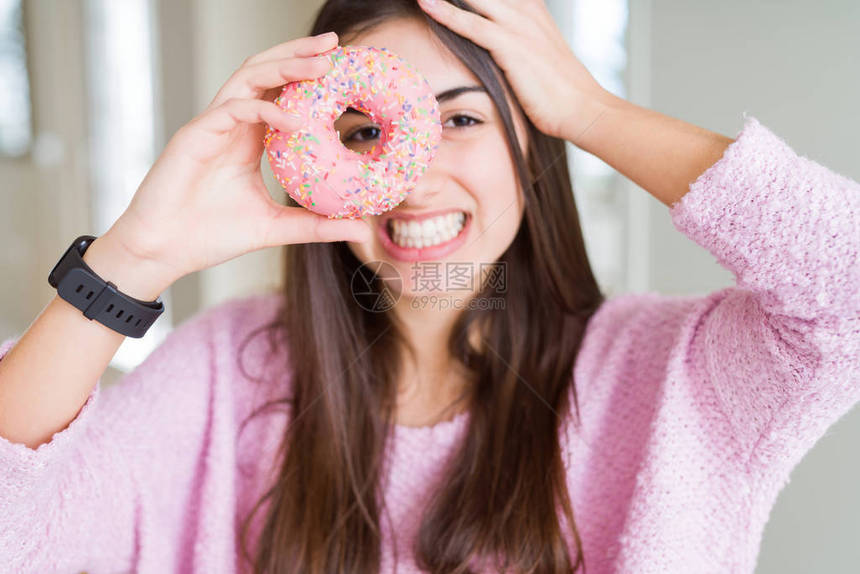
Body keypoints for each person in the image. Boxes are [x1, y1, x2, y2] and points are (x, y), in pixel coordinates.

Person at [1, 0, 857, 572]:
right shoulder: (234, 369)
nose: (411, 176)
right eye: (365, 130)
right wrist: (133, 260)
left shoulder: (673, 378)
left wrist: (593, 113)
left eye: (459, 119)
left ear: (534, 143)